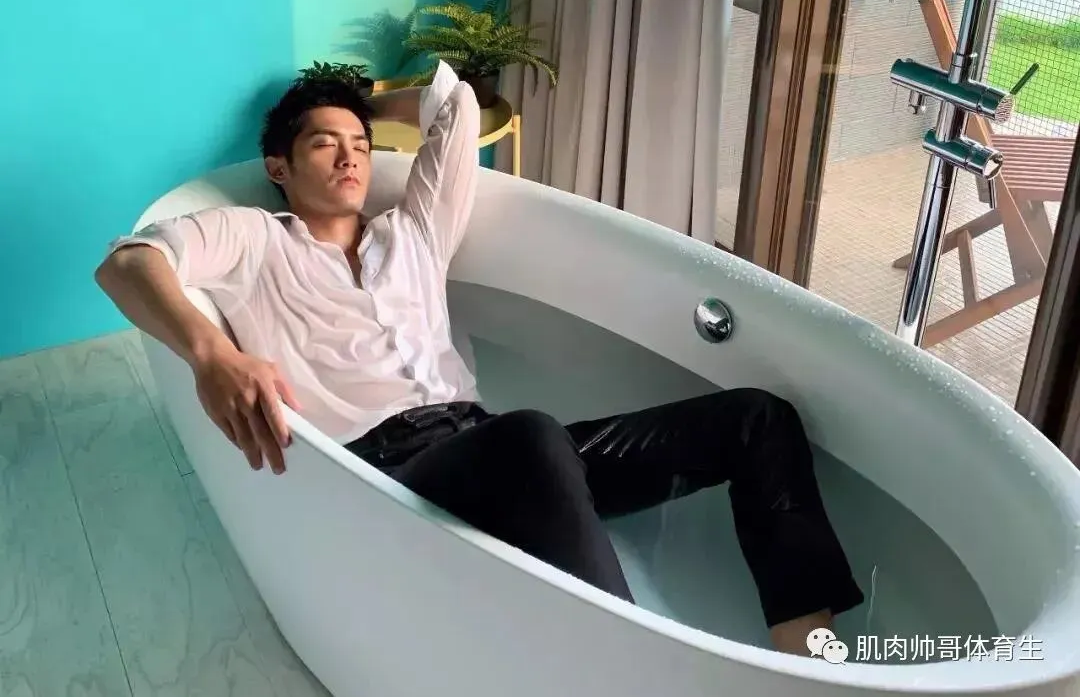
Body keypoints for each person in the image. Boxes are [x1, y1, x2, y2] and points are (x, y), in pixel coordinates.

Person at [95, 62, 862, 655]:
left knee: (757, 418)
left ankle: (805, 653)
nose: (350, 159)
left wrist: (363, 105)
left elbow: (456, 108)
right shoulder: (254, 238)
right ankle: (628, 665)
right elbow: (127, 263)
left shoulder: (412, 233)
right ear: (277, 167)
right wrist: (211, 354)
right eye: (324, 144)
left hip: (501, 452)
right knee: (529, 434)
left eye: (360, 146)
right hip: (390, 473)